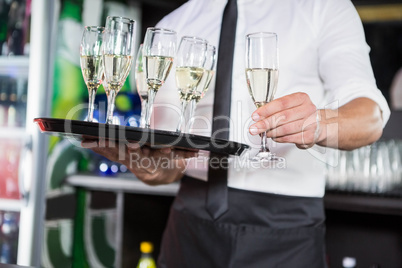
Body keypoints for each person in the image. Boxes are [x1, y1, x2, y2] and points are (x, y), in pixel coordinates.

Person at [82, 0, 390, 267]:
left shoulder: (323, 7)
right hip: (188, 226)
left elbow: (370, 117)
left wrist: (319, 123)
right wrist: (145, 165)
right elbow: (169, 165)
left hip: (286, 231)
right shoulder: (173, 24)